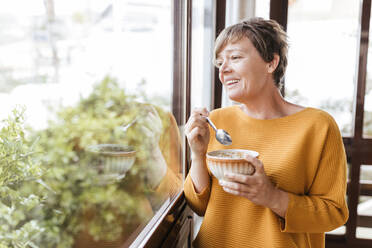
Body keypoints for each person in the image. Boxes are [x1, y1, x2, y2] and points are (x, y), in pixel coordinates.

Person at [184, 17, 348, 248]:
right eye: (220, 62)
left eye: (235, 57)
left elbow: (333, 213)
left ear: (271, 62)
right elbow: (199, 205)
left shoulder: (318, 126)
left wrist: (271, 197)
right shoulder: (217, 122)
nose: (224, 69)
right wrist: (197, 155)